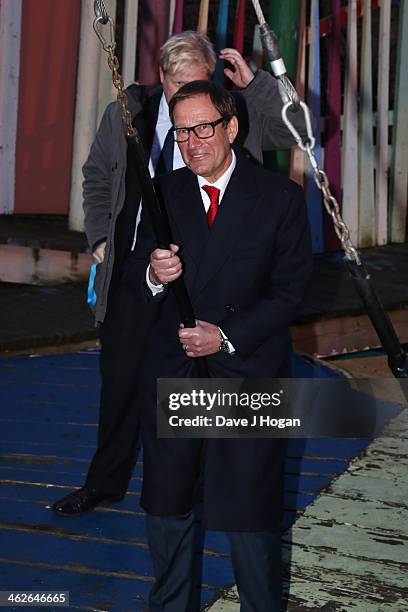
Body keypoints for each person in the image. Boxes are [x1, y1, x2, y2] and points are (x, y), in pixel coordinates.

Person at [52, 30, 309, 516]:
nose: (183, 100)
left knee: (200, 389)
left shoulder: (226, 117)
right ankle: (105, 483)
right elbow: (97, 176)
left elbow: (297, 131)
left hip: (203, 287)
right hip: (138, 276)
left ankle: (197, 488)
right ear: (161, 79)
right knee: (121, 384)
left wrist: (255, 86)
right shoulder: (128, 114)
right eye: (175, 86)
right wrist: (103, 242)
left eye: (196, 84)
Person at [125, 80, 313, 611]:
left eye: (204, 127)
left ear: (231, 127)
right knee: (168, 506)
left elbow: (291, 292)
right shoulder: (164, 191)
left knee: (250, 513)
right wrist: (155, 275)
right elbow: (136, 279)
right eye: (183, 131)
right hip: (176, 370)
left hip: (246, 372)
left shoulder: (279, 197)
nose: (193, 142)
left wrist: (224, 335)